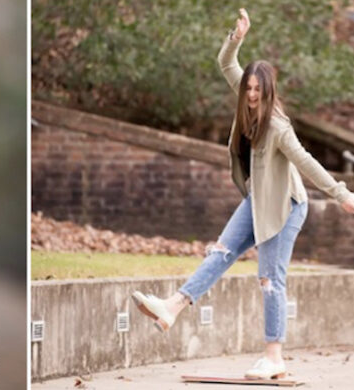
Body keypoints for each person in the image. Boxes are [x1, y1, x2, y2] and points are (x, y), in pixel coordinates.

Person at [132, 8, 354, 380]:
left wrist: (342, 193)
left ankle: (274, 357)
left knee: (270, 279)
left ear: (268, 91)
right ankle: (171, 307)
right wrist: (237, 37)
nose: (251, 95)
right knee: (220, 252)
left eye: (257, 90)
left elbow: (307, 161)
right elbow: (225, 63)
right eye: (248, 88)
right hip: (257, 200)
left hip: (285, 207)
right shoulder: (243, 98)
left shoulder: (279, 127)